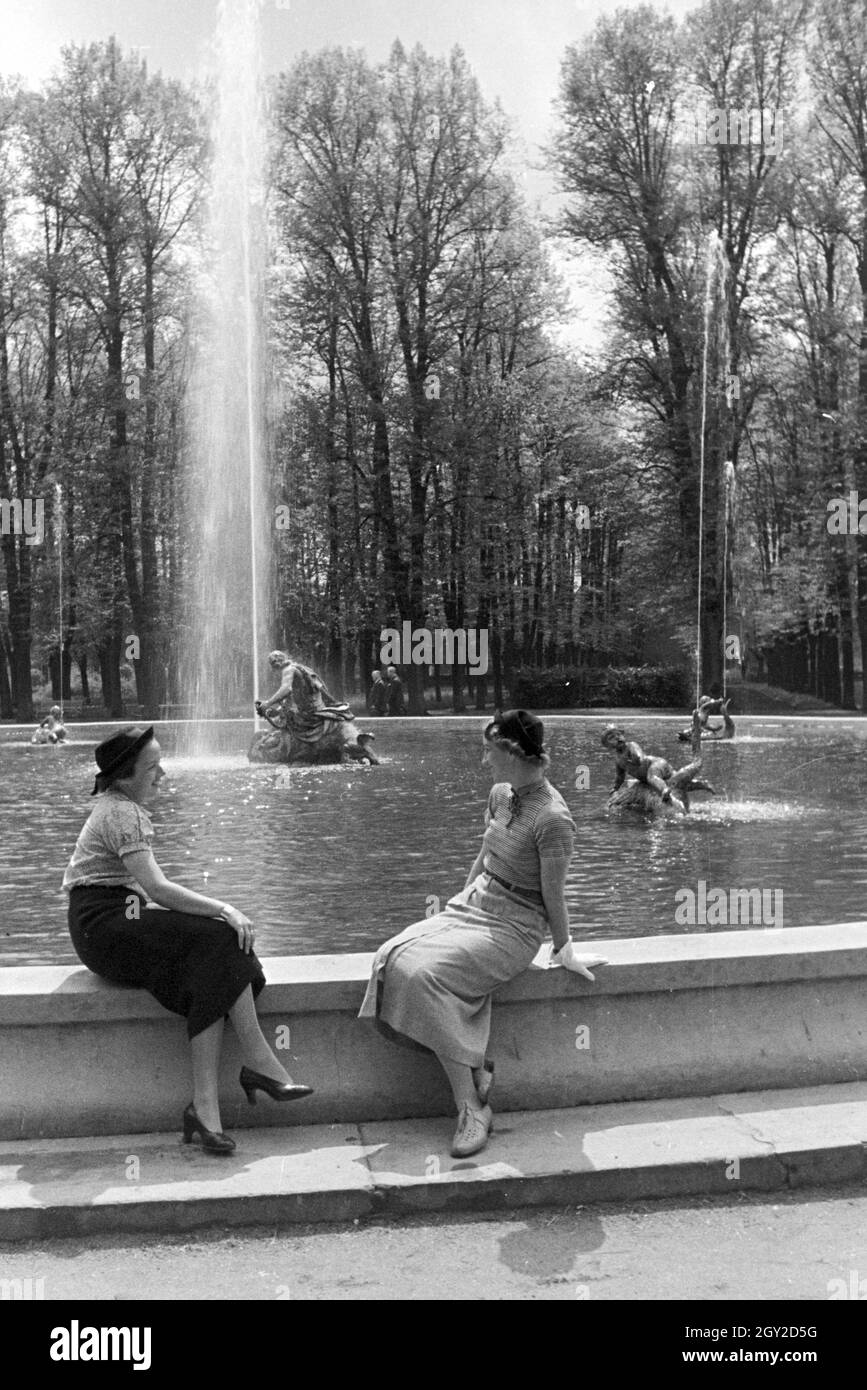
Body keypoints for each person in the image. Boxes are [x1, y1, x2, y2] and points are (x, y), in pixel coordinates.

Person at [359, 709, 608, 1159]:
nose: (483, 759)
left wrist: (564, 949)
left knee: (423, 977)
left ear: (512, 752)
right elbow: (484, 856)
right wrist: (455, 912)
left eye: (489, 749)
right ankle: (476, 1065)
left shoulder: (554, 819)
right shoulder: (500, 794)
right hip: (475, 904)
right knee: (390, 956)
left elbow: (554, 895)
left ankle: (471, 1107)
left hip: (516, 925)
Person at [62, 726, 313, 1156]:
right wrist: (226, 908)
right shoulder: (124, 812)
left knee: (210, 968)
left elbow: (147, 896)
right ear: (124, 775)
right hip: (105, 923)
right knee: (221, 933)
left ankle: (207, 1111)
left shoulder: (117, 804)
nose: (163, 774)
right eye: (152, 767)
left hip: (110, 919)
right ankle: (258, 1064)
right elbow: (157, 889)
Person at [601, 726, 686, 812]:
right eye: (612, 737)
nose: (617, 737)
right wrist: (616, 787)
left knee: (652, 777)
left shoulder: (631, 745)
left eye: (618, 734)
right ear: (608, 745)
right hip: (645, 776)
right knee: (648, 779)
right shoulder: (618, 759)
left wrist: (635, 758)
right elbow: (620, 776)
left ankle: (664, 790)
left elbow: (640, 757)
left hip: (656, 764)